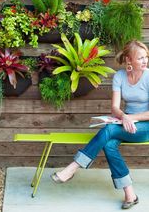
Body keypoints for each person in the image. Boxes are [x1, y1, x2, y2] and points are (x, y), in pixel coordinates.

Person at [51, 40, 149, 209]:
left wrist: (130, 118)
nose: (145, 61)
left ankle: (74, 167)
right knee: (109, 144)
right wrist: (124, 117)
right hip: (125, 124)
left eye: (146, 56)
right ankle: (130, 195)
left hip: (144, 126)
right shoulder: (119, 77)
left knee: (109, 130)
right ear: (128, 60)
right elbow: (114, 108)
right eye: (140, 57)